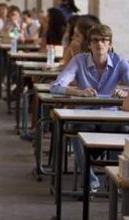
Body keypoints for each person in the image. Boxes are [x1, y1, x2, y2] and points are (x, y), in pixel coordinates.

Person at [50, 24, 129, 191]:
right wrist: (78, 92)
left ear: (110, 44)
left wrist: (125, 92)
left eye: (103, 40)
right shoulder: (79, 60)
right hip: (85, 115)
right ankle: (90, 180)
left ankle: (114, 178)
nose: (99, 44)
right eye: (95, 40)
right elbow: (55, 86)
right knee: (75, 129)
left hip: (111, 117)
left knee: (125, 128)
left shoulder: (119, 61)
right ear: (89, 44)